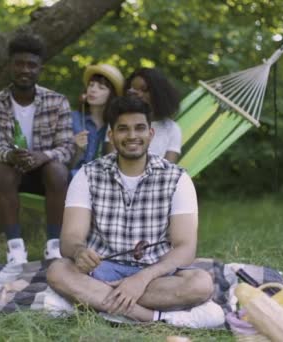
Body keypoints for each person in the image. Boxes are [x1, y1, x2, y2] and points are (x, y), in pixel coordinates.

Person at [46, 96, 225, 328]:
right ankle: (153, 318)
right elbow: (69, 240)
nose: (132, 136)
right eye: (123, 129)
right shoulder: (87, 174)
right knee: (58, 270)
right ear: (111, 136)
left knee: (201, 283)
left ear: (150, 134)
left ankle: (92, 302)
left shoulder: (177, 178)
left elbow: (185, 247)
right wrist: (80, 252)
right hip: (100, 272)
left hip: (156, 275)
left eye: (139, 128)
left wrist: (141, 278)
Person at [0, 34, 74, 264]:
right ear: (10, 66)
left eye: (31, 65)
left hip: (47, 174)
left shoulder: (57, 101)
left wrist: (42, 156)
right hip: (15, 171)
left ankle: (53, 247)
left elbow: (67, 148)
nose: (25, 70)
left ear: (39, 68)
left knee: (58, 171)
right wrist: (13, 155)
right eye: (19, 63)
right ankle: (15, 250)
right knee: (1, 172)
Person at [104, 67, 182, 163]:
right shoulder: (117, 121)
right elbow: (110, 162)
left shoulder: (171, 129)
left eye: (143, 89)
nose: (136, 93)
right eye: (132, 89)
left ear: (159, 94)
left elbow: (169, 170)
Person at [70, 64, 124, 178]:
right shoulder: (72, 118)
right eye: (91, 85)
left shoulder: (115, 126)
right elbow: (64, 168)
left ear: (112, 95)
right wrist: (77, 150)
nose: (93, 90)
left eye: (101, 87)